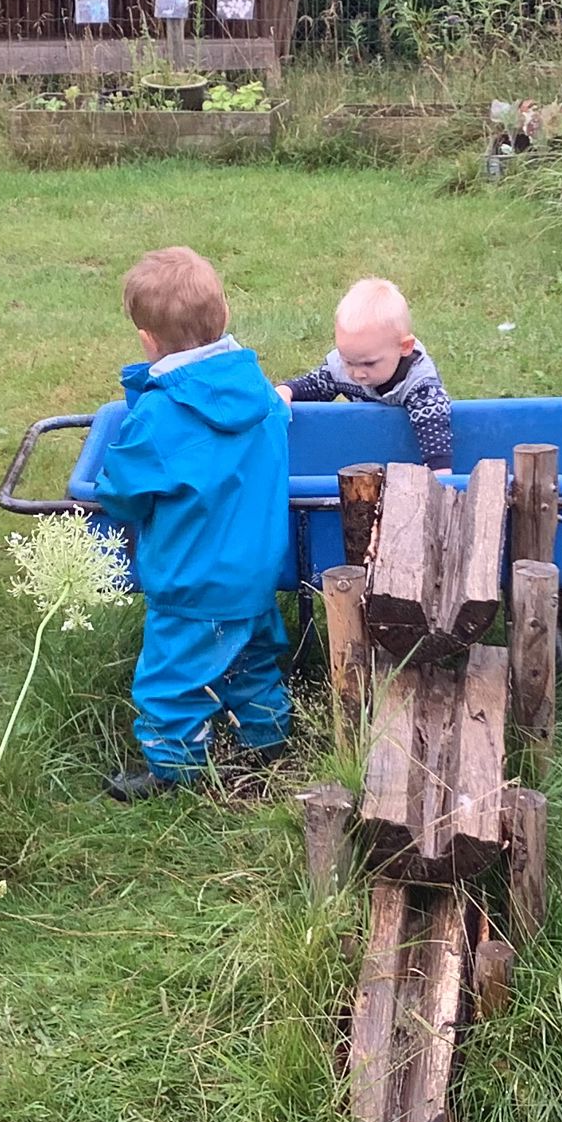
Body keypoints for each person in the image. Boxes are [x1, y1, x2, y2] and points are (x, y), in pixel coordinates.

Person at [93, 246, 292, 798]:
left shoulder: (158, 419)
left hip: (192, 584)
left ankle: (175, 773)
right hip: (255, 575)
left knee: (168, 684)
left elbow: (122, 496)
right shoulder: (262, 395)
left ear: (147, 340)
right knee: (251, 661)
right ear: (224, 314)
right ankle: (271, 740)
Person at [277, 277, 455, 471]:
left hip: (403, 457)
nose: (357, 373)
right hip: (363, 449)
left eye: (369, 363)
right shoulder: (343, 366)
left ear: (404, 347)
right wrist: (287, 391)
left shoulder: (421, 387)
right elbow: (315, 385)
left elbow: (435, 438)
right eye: (348, 360)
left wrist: (439, 477)